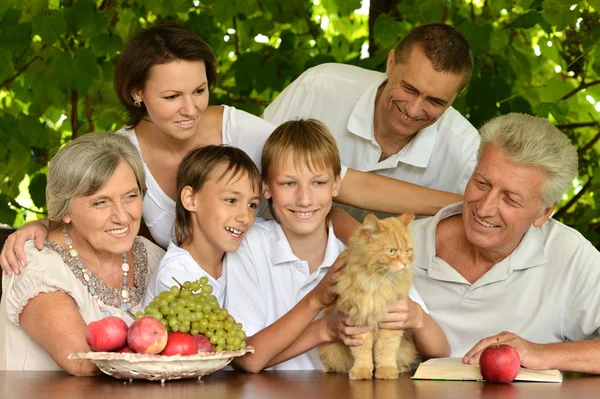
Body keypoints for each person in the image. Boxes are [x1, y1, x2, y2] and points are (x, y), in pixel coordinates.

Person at [1, 21, 463, 274]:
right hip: (190, 293)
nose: (190, 110)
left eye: (199, 91)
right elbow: (93, 216)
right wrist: (41, 225)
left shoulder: (234, 127)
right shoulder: (122, 156)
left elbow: (344, 185)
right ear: (137, 93)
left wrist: (463, 203)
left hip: (272, 280)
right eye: (171, 97)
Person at [333, 113, 600, 374]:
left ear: (543, 212)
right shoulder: (403, 245)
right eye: (481, 183)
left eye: (510, 199)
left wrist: (540, 353)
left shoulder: (570, 256)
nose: (484, 208)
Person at [226, 119, 449, 372]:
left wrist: (417, 318)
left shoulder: (368, 252)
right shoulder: (248, 245)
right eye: (288, 183)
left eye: (318, 183)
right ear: (266, 186)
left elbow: (441, 350)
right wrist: (323, 321)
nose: (304, 199)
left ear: (336, 185)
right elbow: (246, 359)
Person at [263, 23, 480, 221]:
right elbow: (249, 160)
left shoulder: (467, 152)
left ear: (458, 94)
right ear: (391, 62)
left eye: (435, 101)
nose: (413, 110)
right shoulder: (318, 87)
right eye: (409, 89)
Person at [0, 133, 165, 374]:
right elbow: (83, 361)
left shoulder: (151, 257)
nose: (122, 216)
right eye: (100, 202)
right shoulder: (35, 264)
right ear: (65, 210)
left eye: (131, 196)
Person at [143, 145, 261, 307]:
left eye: (252, 205)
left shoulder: (245, 258)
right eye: (231, 200)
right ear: (191, 199)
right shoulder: (174, 277)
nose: (245, 217)